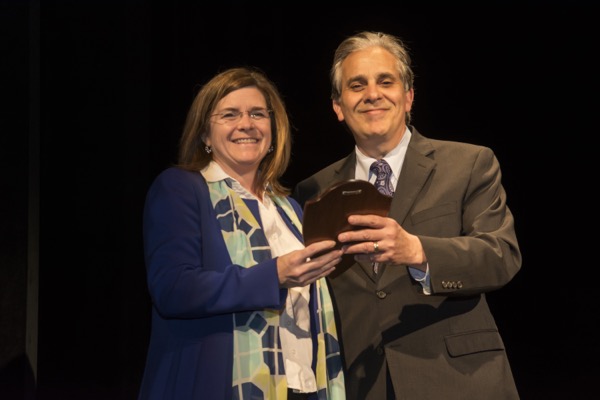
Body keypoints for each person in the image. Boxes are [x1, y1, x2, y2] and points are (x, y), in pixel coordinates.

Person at [292, 31, 522, 400]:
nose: (372, 94)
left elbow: (501, 256)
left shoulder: (469, 163)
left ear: (409, 95)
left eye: (386, 81)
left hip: (460, 380)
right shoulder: (311, 192)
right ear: (338, 105)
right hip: (362, 383)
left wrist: (417, 250)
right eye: (356, 85)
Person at [138, 67, 346, 400]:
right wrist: (274, 275)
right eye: (230, 115)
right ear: (205, 134)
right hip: (217, 387)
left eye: (257, 114)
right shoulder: (181, 189)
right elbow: (173, 288)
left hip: (302, 385)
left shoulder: (290, 208)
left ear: (272, 129)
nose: (246, 124)